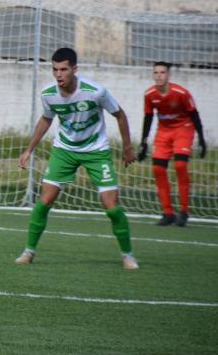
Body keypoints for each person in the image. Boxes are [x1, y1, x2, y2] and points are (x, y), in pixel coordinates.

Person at [15, 47, 139, 270]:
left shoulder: (95, 91)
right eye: (55, 69)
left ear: (75, 69)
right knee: (44, 201)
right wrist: (28, 149)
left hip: (96, 151)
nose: (59, 74)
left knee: (111, 206)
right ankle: (28, 251)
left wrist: (127, 147)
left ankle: (128, 255)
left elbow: (119, 114)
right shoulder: (48, 94)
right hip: (64, 150)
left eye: (64, 69)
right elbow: (46, 119)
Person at [137, 61, 207, 227]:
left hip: (183, 129)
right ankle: (168, 213)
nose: (159, 76)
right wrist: (143, 142)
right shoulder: (149, 94)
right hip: (163, 132)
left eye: (162, 72)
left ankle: (183, 211)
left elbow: (194, 114)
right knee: (158, 169)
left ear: (168, 75)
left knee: (180, 166)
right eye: (156, 72)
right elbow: (148, 117)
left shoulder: (181, 93)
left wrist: (202, 139)